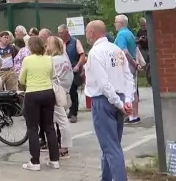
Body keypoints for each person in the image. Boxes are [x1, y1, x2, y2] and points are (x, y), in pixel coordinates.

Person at [85, 20, 135, 181]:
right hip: (119, 97)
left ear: (92, 33)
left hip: (103, 101)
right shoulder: (117, 50)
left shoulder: (95, 53)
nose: (86, 35)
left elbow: (103, 83)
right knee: (111, 145)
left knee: (111, 148)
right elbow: (128, 76)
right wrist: (127, 100)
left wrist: (120, 103)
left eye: (87, 32)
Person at [18, 36, 59, 171]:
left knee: (33, 128)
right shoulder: (49, 59)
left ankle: (35, 161)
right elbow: (51, 75)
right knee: (49, 126)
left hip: (33, 94)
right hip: (48, 93)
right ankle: (54, 160)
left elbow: (22, 79)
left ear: (30, 47)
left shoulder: (27, 60)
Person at [46, 36, 73, 159]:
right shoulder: (64, 58)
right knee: (61, 120)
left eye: (48, 44)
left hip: (56, 91)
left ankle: (64, 147)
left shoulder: (53, 60)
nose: (46, 47)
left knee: (61, 120)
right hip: (65, 91)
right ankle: (61, 145)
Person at [113, 15, 140, 124]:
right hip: (131, 63)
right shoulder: (129, 33)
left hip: (126, 65)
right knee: (133, 89)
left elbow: (123, 51)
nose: (114, 24)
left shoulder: (121, 35)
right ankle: (135, 115)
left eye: (116, 22)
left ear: (121, 23)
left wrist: (132, 63)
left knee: (127, 90)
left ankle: (131, 115)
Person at [57, 25, 86, 123]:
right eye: (59, 33)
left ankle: (74, 113)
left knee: (73, 90)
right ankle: (69, 110)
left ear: (67, 32)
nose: (60, 35)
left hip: (74, 70)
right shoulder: (59, 43)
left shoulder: (75, 42)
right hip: (63, 72)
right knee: (65, 92)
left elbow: (82, 55)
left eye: (61, 33)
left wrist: (78, 66)